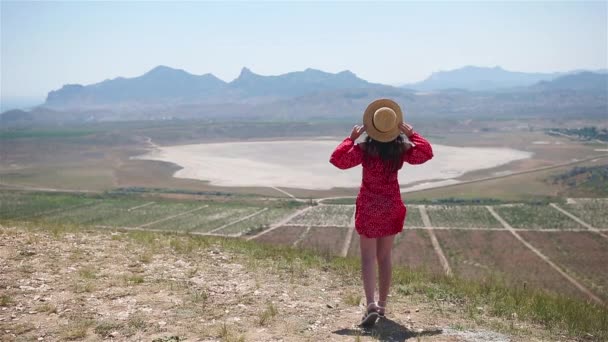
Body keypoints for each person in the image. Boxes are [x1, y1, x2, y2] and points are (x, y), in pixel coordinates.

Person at [329, 98, 434, 327]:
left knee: (368, 258)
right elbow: (426, 153)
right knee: (384, 257)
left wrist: (350, 139)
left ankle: (370, 304)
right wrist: (413, 134)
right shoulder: (401, 148)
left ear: (372, 125)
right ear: (395, 126)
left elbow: (337, 160)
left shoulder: (364, 149)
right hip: (391, 206)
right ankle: (383, 305)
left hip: (369, 207)